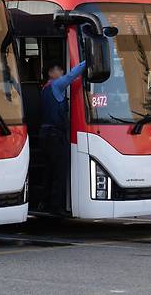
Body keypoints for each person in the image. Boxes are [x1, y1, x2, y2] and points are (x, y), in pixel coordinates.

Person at [39, 61, 86, 214]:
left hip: (45, 134)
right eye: (58, 69)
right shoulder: (56, 85)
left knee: (49, 171)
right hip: (55, 135)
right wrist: (89, 60)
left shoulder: (44, 88)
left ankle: (44, 202)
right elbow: (73, 75)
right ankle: (56, 206)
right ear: (50, 73)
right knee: (59, 171)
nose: (62, 72)